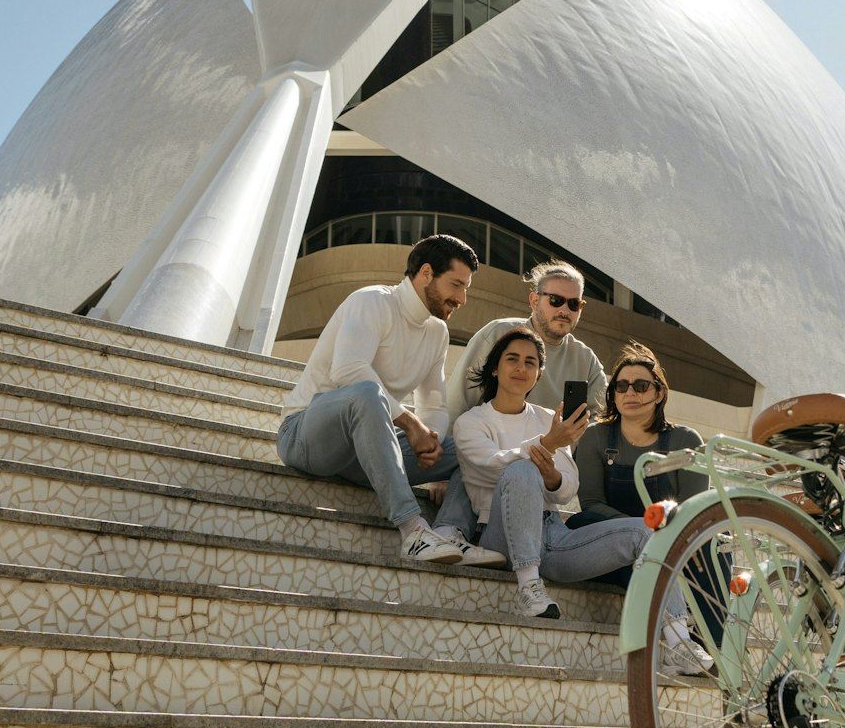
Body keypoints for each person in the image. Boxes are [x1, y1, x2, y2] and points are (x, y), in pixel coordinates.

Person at [276, 234, 505, 568]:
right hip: (305, 436)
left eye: (466, 288)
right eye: (456, 285)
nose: (462, 298)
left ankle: (449, 532)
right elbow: (348, 370)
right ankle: (413, 530)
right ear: (426, 273)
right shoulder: (372, 302)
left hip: (366, 453)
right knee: (367, 393)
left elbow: (435, 406)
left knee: (468, 449)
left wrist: (433, 438)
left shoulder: (437, 333)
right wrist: (411, 424)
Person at [453, 327, 651, 620]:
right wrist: (547, 444)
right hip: (501, 538)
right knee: (521, 469)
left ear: (539, 373)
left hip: (553, 535)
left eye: (530, 362)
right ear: (495, 368)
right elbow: (491, 464)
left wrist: (551, 476)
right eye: (512, 359)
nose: (521, 367)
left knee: (648, 534)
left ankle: (676, 636)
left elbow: (568, 489)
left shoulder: (548, 419)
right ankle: (529, 587)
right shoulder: (470, 422)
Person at [436, 261, 608, 544]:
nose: (564, 310)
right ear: (533, 299)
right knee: (476, 461)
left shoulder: (585, 359)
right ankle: (449, 531)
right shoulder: (499, 334)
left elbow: (603, 419)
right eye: (555, 300)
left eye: (574, 304)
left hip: (540, 466)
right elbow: (458, 398)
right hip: (485, 448)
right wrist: (441, 471)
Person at [571, 343, 712, 674]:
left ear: (660, 393)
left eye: (641, 385)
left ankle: (711, 647)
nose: (629, 392)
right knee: (584, 521)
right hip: (613, 542)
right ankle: (679, 641)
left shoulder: (684, 440)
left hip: (673, 541)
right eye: (621, 386)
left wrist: (660, 536)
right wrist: (641, 529)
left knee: (713, 550)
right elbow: (591, 504)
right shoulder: (595, 437)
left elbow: (694, 509)